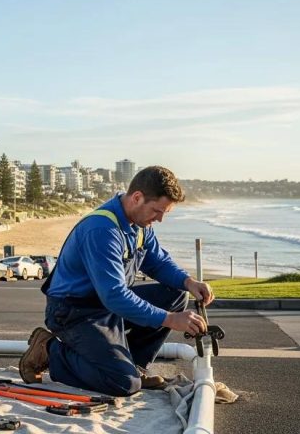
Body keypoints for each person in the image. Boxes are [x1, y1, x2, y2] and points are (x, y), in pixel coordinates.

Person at [18, 166, 214, 396]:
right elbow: (115, 295)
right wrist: (170, 319)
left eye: (165, 213)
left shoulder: (140, 225)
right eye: (157, 211)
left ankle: (134, 366)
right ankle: (50, 350)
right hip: (75, 313)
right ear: (137, 198)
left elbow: (158, 263)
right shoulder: (102, 230)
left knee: (176, 293)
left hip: (106, 306)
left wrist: (188, 282)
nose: (160, 219)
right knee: (123, 384)